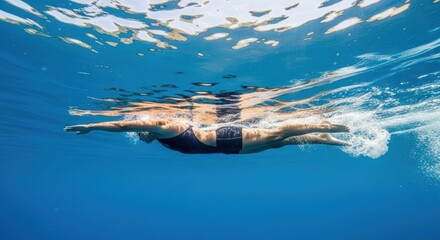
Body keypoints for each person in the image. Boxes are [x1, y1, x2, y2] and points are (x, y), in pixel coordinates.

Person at [64, 119, 350, 154]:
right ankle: (328, 137)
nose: (139, 135)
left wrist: (92, 126)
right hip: (228, 148)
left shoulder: (162, 125)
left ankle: (342, 125)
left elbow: (124, 125)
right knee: (281, 142)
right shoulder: (158, 136)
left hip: (225, 138)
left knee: (279, 132)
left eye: (141, 132)